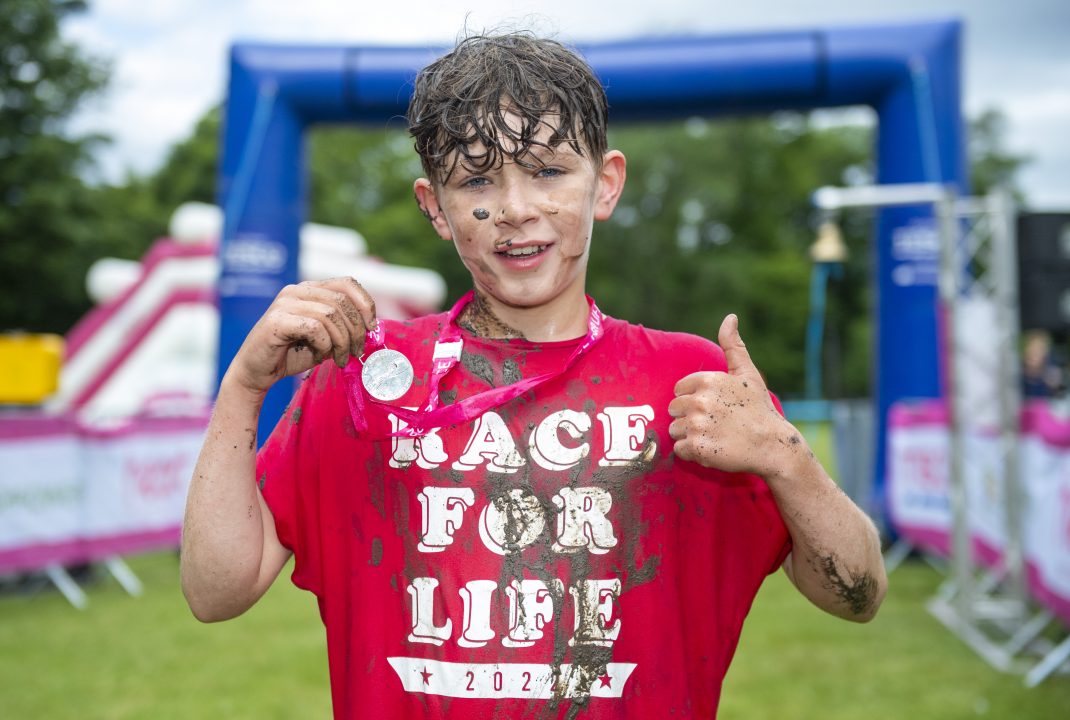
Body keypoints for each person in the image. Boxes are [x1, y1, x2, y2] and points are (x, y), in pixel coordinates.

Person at [181, 31, 887, 719]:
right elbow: (217, 592)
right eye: (477, 179)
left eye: (548, 171)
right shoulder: (370, 382)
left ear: (604, 185)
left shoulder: (690, 382)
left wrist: (789, 461)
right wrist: (244, 387)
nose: (516, 209)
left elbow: (858, 596)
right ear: (435, 206)